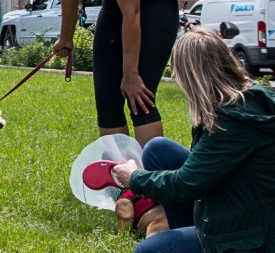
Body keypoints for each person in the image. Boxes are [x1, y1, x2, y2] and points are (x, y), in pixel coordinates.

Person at [26, 0, 183, 147]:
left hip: (153, 4)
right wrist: (65, 38)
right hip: (114, 4)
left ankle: (152, 176)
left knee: (138, 96)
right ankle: (120, 177)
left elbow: (132, 13)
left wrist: (130, 74)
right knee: (107, 101)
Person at [111, 28, 275, 252]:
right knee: (158, 150)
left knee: (150, 250)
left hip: (250, 234)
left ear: (192, 77)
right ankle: (192, 229)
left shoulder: (230, 122)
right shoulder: (248, 97)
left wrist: (136, 178)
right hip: (245, 202)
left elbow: (186, 184)